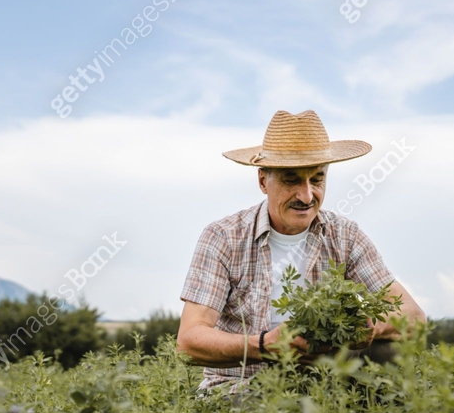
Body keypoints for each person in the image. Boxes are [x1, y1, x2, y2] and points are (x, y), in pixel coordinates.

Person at [177, 109, 426, 393]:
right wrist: (265, 345)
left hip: (326, 379)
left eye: (317, 179)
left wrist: (370, 327)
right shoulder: (223, 237)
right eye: (291, 179)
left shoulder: (345, 235)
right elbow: (189, 341)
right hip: (243, 385)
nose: (307, 196)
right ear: (262, 181)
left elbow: (414, 317)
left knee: (389, 352)